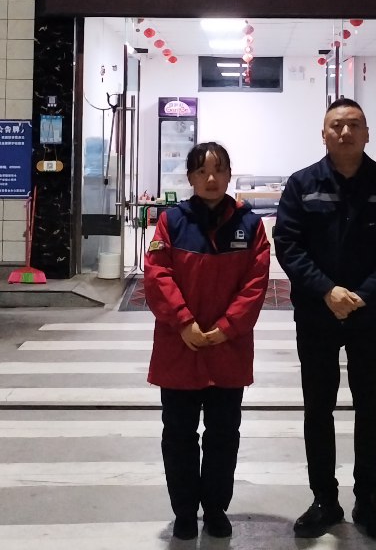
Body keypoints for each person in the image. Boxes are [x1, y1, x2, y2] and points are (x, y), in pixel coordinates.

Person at [273, 98, 376, 542]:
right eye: (336, 125)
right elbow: (288, 243)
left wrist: (362, 296)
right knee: (318, 408)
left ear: (367, 133)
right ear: (323, 134)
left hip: (368, 316)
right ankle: (324, 501)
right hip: (316, 314)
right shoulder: (302, 185)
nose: (345, 132)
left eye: (354, 124)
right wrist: (325, 290)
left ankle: (368, 502)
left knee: (370, 409)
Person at [144, 141, 270, 541]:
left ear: (229, 175)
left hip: (227, 348)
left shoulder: (250, 225)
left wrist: (227, 327)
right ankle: (184, 511)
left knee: (223, 435)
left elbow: (256, 283)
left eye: (218, 170)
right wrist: (183, 322)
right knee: (178, 434)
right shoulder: (171, 222)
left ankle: (215, 508)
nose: (211, 178)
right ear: (190, 177)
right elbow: (157, 274)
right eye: (201, 171)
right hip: (179, 347)